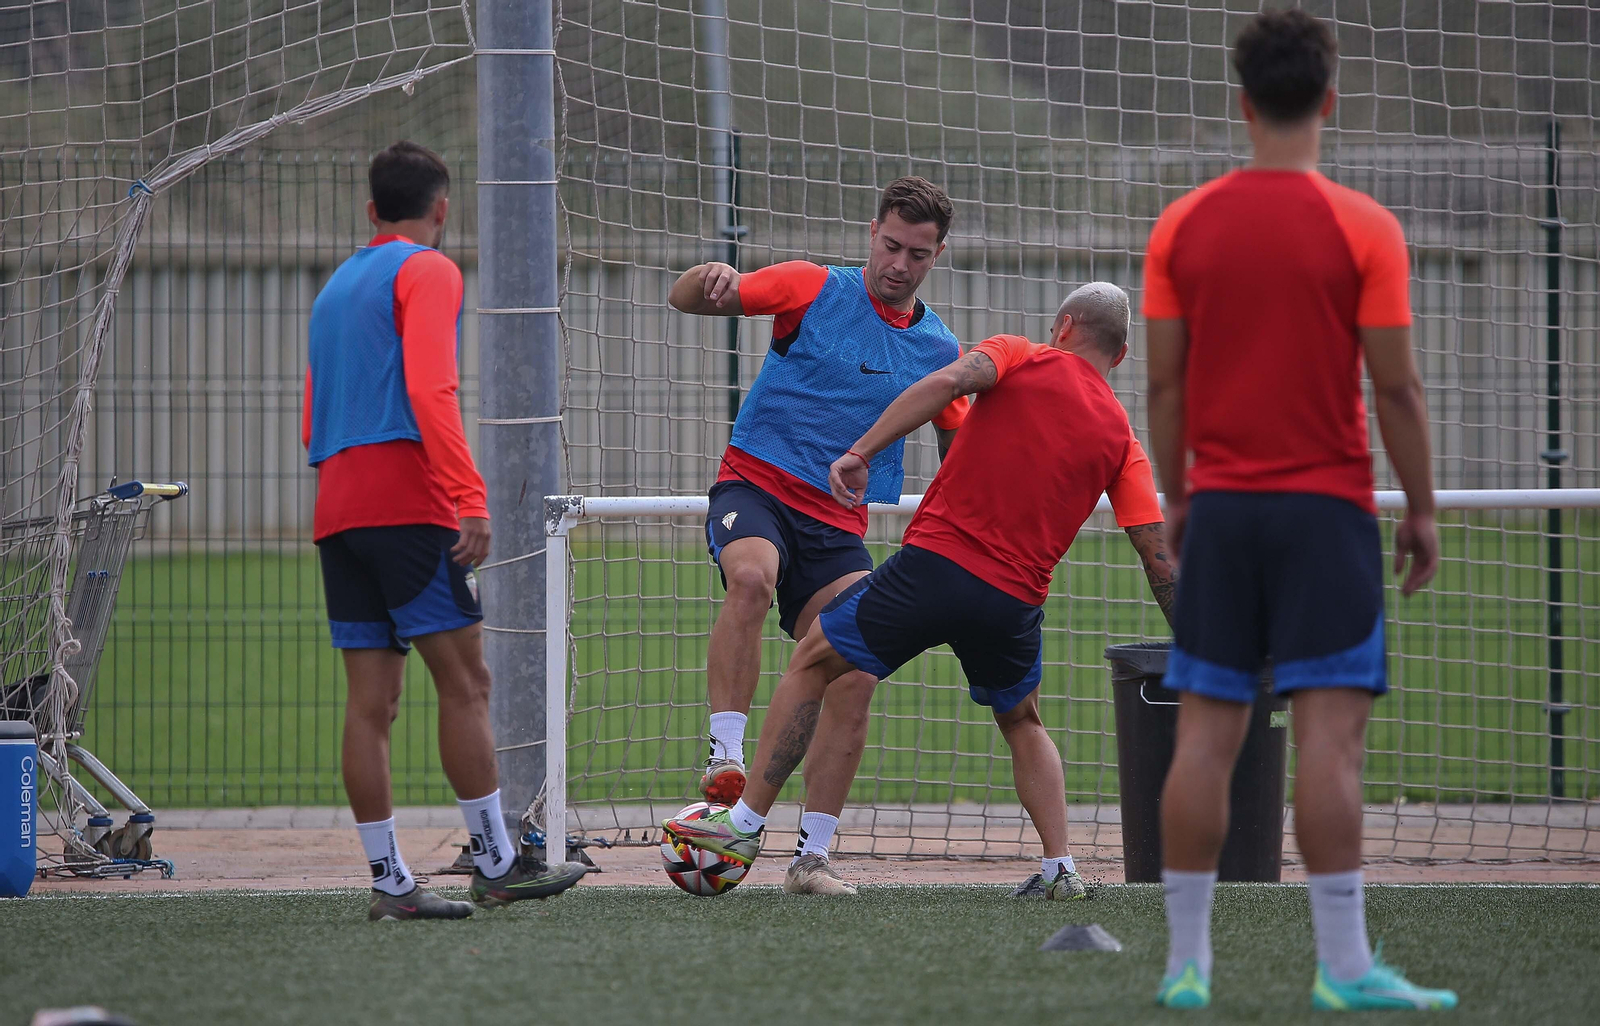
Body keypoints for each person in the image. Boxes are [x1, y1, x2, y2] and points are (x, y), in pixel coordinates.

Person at [665, 283, 1177, 901]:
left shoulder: (1019, 354)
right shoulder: (1125, 443)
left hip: (936, 568)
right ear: (1119, 358)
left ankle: (743, 826)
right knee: (1022, 720)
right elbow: (1158, 559)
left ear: (1063, 327)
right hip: (1014, 604)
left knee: (814, 658)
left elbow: (947, 384)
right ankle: (1060, 867)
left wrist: (861, 451)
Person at [1142, 10, 1456, 1011]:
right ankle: (1344, 967)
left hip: (1224, 513)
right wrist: (1422, 508)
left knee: (1204, 739)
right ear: (1327, 99)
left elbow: (1162, 389)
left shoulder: (1180, 226)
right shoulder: (1365, 227)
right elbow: (1397, 392)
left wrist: (1181, 494)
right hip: (1325, 514)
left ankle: (1185, 966)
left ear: (1240, 105)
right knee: (1329, 742)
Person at [303, 140, 586, 920]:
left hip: (338, 507)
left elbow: (310, 415)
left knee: (370, 704)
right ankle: (498, 861)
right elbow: (432, 388)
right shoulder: (429, 268)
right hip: (407, 504)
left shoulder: (335, 287)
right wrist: (468, 495)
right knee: (467, 683)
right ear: (443, 207)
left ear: (370, 211)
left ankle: (391, 884)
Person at [669, 178, 970, 891]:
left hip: (836, 525)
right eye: (891, 245)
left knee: (857, 667)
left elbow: (961, 455)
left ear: (937, 256)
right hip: (757, 485)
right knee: (750, 578)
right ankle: (725, 759)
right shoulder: (809, 288)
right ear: (873, 232)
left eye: (917, 254)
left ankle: (812, 859)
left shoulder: (938, 350)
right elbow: (687, 299)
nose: (899, 263)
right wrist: (703, 278)